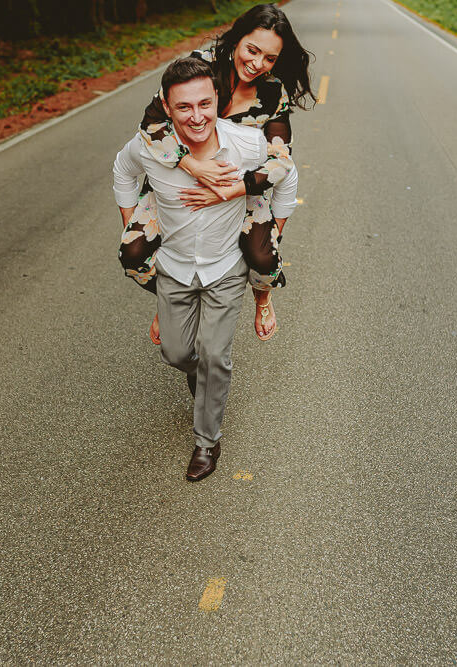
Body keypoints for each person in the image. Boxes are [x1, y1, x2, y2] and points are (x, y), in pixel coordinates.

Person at [113, 57, 298, 481]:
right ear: (166, 106)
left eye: (204, 104)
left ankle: (207, 441)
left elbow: (286, 174)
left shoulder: (246, 144)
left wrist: (273, 229)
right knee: (176, 353)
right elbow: (122, 171)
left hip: (225, 268)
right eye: (183, 107)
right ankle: (204, 379)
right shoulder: (149, 148)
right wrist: (130, 222)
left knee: (216, 355)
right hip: (174, 268)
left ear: (217, 99)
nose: (196, 117)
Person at [118, 3, 314, 343]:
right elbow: (151, 124)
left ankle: (262, 297)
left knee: (264, 260)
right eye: (252, 50)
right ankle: (173, 299)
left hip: (239, 187)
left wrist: (232, 190)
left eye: (270, 58)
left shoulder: (273, 93)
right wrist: (192, 165)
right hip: (178, 178)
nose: (257, 64)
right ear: (237, 39)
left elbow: (281, 160)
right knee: (133, 256)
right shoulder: (200, 67)